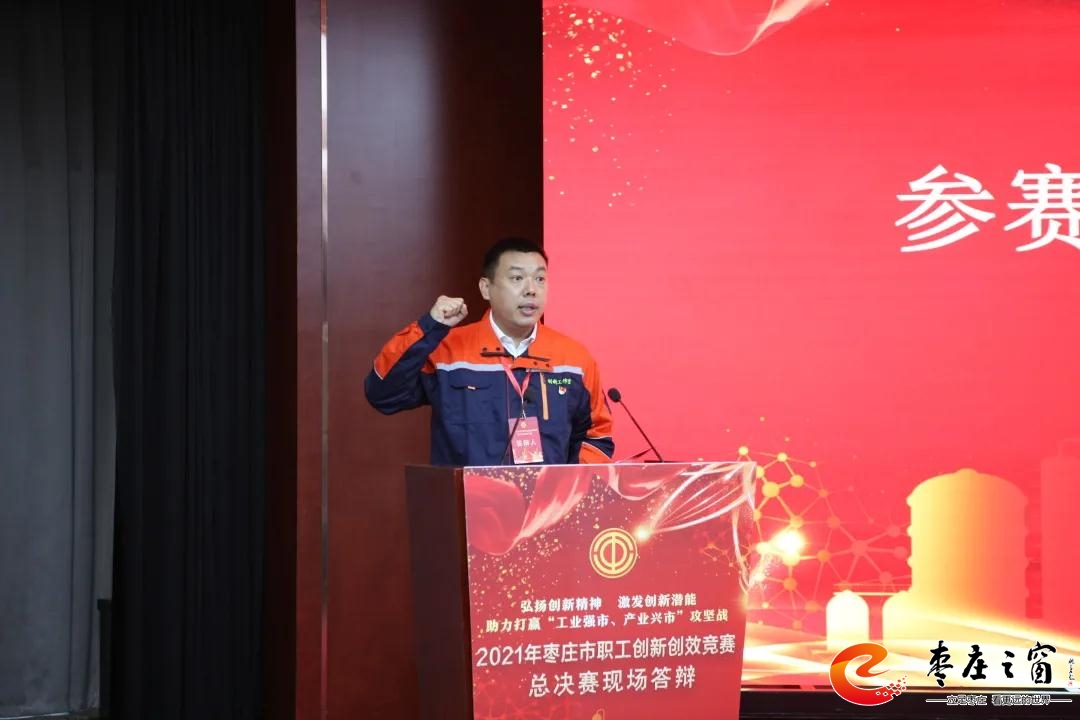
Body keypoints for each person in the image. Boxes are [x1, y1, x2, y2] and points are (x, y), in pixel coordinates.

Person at [364, 237, 614, 466]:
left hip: (545, 501)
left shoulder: (574, 359)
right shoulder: (447, 350)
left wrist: (570, 488)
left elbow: (597, 434)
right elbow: (383, 394)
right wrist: (430, 327)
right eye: (517, 278)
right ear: (486, 288)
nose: (531, 289)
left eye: (540, 279)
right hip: (467, 498)